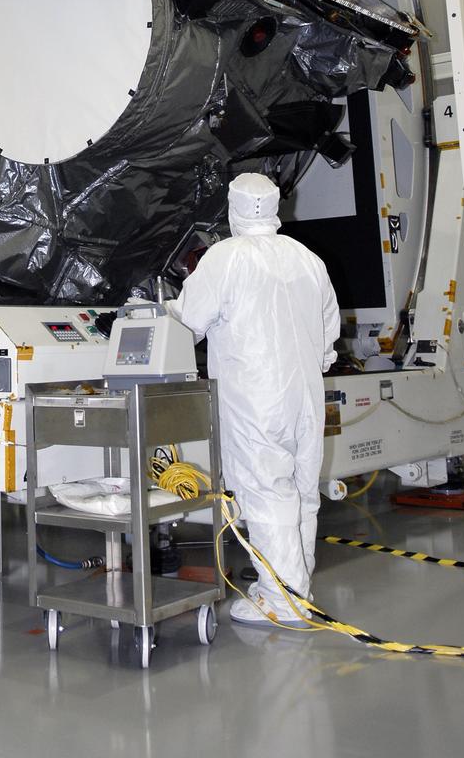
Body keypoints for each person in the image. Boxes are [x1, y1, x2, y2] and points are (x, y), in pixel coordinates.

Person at [168, 171, 340, 626]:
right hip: (304, 395)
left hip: (256, 398)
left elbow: (187, 323)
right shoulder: (307, 259)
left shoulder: (226, 258)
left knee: (267, 493)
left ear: (234, 208)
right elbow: (328, 335)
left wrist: (148, 311)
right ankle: (296, 589)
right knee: (303, 492)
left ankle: (281, 603)